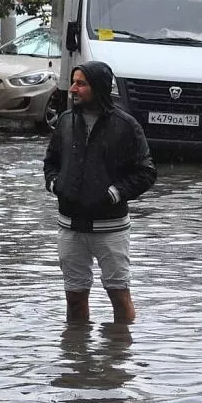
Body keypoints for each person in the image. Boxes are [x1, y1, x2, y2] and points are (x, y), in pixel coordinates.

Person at [43, 62, 157, 325]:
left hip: (111, 229)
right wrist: (54, 184)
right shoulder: (65, 122)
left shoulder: (126, 126)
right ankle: (76, 357)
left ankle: (119, 356)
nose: (73, 89)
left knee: (119, 295)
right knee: (74, 298)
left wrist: (115, 193)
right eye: (73, 82)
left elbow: (147, 172)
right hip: (70, 227)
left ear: (99, 88)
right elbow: (51, 161)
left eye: (81, 84)